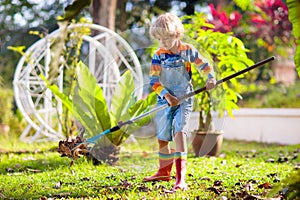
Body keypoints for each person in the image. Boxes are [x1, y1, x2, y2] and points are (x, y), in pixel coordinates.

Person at [143, 12, 216, 191]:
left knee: (179, 132)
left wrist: (210, 78)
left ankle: (180, 178)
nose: (163, 43)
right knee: (162, 136)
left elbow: (204, 65)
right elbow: (154, 81)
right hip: (164, 99)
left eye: (166, 39)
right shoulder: (158, 54)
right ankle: (163, 171)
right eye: (159, 39)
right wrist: (167, 96)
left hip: (184, 98)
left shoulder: (187, 51)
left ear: (177, 34)